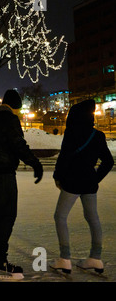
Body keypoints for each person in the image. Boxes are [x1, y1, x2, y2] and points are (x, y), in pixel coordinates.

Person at [0, 89, 43, 280]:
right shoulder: (10, 119)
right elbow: (18, 144)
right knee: (6, 215)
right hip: (3, 173)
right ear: (14, 107)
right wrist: (35, 163)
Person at [51, 99, 114, 275]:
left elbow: (64, 159)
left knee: (60, 216)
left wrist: (58, 177)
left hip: (72, 182)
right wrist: (95, 177)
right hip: (89, 183)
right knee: (93, 218)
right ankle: (95, 257)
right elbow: (108, 161)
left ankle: (65, 258)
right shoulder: (98, 135)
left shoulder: (72, 133)